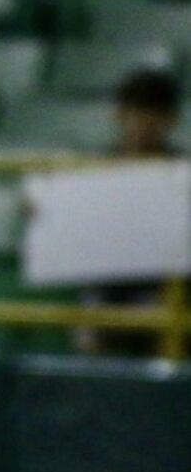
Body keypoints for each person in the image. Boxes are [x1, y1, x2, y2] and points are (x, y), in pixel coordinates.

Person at [78, 67, 186, 356]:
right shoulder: (93, 172)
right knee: (91, 319)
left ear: (171, 121)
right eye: (137, 112)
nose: (144, 123)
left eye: (154, 114)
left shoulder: (184, 173)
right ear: (120, 115)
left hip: (169, 288)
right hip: (108, 287)